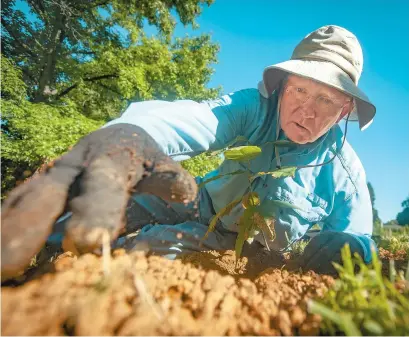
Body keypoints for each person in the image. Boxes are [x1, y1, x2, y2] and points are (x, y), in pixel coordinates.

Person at [1, 25, 377, 279]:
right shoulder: (254, 108)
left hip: (244, 247)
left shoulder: (346, 173)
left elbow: (360, 241)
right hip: (198, 200)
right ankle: (28, 259)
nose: (306, 110)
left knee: (150, 252)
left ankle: (83, 281)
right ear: (283, 86)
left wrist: (353, 248)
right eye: (300, 91)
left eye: (326, 99)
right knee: (115, 203)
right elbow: (193, 119)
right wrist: (127, 138)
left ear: (345, 110)